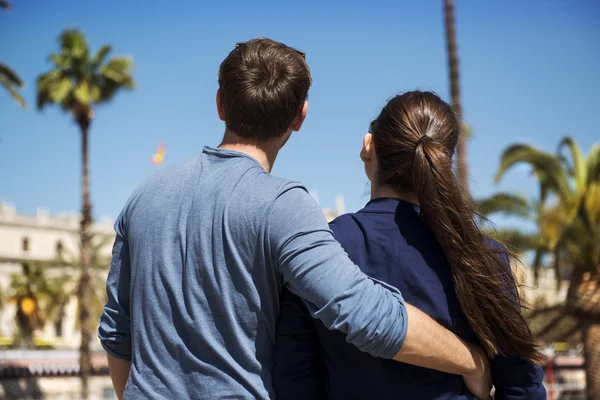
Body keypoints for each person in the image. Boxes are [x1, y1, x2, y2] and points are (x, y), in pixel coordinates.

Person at [98, 40, 491, 400]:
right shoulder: (282, 205)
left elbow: (117, 332)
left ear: (220, 104)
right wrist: (469, 360)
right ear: (300, 116)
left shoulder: (144, 195)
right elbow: (362, 314)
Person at [273, 91, 547, 400]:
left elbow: (293, 378)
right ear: (446, 161)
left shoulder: (323, 249)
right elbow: (523, 387)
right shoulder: (483, 258)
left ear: (368, 146)